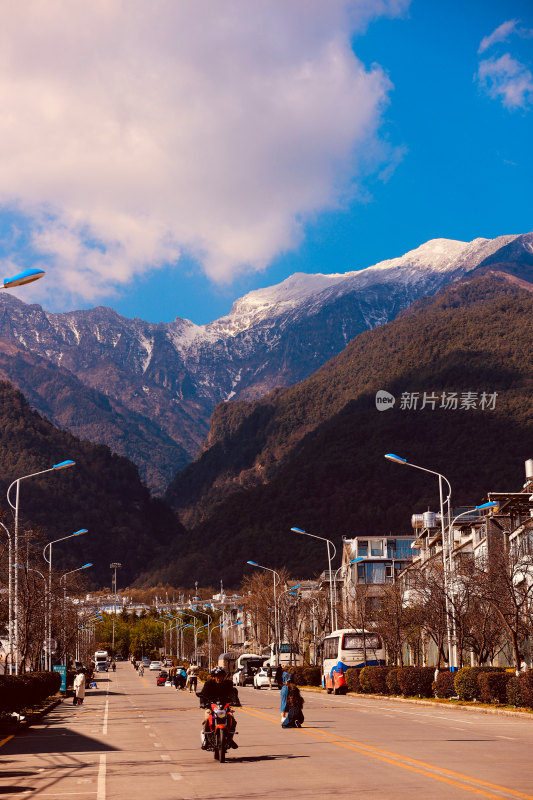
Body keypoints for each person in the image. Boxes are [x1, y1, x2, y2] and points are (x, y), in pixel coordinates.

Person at [198, 666, 240, 750]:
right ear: (214, 677)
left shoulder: (228, 684)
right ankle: (206, 740)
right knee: (207, 719)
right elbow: (203, 695)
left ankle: (230, 739)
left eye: (221, 676)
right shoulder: (208, 684)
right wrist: (203, 703)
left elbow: (232, 693)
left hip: (224, 707)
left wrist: (235, 702)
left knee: (232, 718)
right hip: (211, 706)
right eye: (217, 676)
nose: (219, 678)